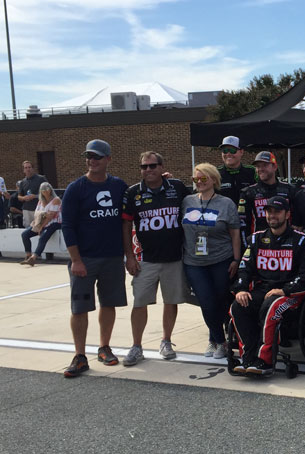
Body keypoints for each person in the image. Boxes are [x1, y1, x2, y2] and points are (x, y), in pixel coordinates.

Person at [61, 139, 128, 377]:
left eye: (97, 157)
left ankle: (104, 347)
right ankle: (80, 355)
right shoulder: (76, 188)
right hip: (84, 258)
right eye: (89, 156)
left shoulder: (119, 186)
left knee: (108, 304)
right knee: (80, 308)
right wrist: (76, 260)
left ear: (108, 159)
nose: (92, 161)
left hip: (111, 257)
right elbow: (67, 226)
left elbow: (131, 213)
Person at [230, 196, 305, 376]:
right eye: (269, 212)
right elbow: (244, 268)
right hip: (263, 290)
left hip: (292, 294)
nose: (272, 215)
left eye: (277, 211)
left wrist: (285, 290)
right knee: (238, 306)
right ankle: (249, 357)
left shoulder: (303, 240)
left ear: (287, 214)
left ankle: (265, 361)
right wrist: (242, 289)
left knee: (271, 307)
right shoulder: (255, 239)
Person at [121, 151, 191, 366]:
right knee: (140, 302)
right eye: (144, 167)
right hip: (146, 259)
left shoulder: (177, 187)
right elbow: (125, 225)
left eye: (152, 166)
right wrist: (129, 257)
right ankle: (136, 346)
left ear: (162, 167)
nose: (148, 170)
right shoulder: (133, 192)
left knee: (171, 301)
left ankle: (166, 341)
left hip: (174, 258)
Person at [181, 163, 241, 359]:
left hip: (221, 259)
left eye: (203, 178)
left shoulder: (226, 204)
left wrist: (236, 259)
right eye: (195, 179)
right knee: (206, 302)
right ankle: (219, 341)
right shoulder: (187, 201)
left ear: (214, 180)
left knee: (221, 301)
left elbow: (234, 234)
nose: (199, 182)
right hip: (194, 262)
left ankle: (214, 339)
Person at [238, 150, 297, 240]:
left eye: (265, 165)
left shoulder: (290, 190)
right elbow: (242, 224)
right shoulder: (248, 192)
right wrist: (248, 245)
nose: (260, 169)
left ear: (275, 167)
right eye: (258, 166)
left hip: (286, 243)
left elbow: (296, 221)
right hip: (259, 244)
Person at [19, 182, 61, 265]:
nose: (45, 191)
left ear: (50, 190)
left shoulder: (56, 200)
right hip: (41, 222)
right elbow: (37, 214)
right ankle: (28, 255)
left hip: (54, 222)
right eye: (43, 190)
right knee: (25, 234)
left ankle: (33, 258)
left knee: (42, 237)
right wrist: (37, 224)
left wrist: (41, 227)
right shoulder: (40, 201)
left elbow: (50, 216)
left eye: (47, 189)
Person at [217, 135, 257, 206]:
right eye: (225, 151)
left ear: (241, 152)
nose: (228, 154)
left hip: (248, 214)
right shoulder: (215, 173)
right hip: (223, 216)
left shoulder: (252, 171)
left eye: (232, 150)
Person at [18, 160, 47, 228]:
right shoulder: (22, 182)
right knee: (28, 229)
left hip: (39, 209)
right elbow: (19, 196)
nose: (28, 169)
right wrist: (24, 198)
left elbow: (48, 193)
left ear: (33, 168)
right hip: (27, 210)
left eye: (29, 167)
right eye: (26, 168)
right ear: (23, 170)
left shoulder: (41, 179)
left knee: (39, 228)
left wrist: (35, 196)